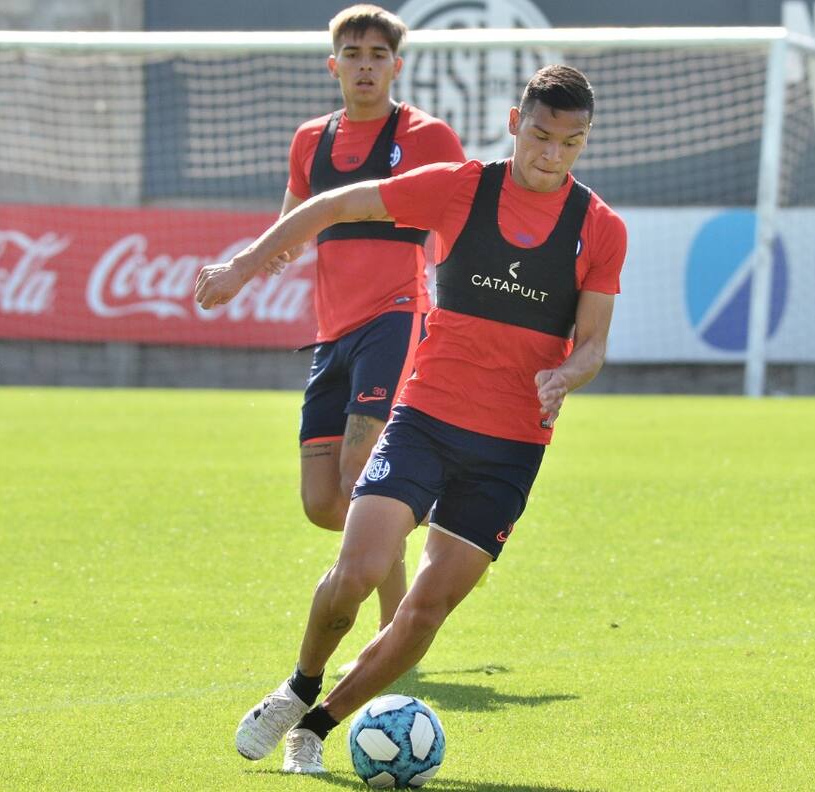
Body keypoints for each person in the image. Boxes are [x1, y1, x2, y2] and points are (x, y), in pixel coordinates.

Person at [197, 65, 626, 776]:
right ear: (516, 122)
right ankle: (299, 683)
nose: (552, 155)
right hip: (425, 418)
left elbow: (594, 345)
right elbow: (333, 204)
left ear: (586, 140)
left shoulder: (600, 228)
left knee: (424, 613)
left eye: (571, 143)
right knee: (359, 569)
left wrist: (567, 374)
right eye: (541, 136)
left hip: (511, 448)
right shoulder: (461, 187)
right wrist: (245, 264)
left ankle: (318, 725)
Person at [279, 4, 465, 639]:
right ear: (334, 66)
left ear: (397, 66)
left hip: (397, 315)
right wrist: (257, 262)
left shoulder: (427, 137)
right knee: (322, 503)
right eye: (353, 55)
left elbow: (460, 220)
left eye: (377, 56)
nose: (365, 67)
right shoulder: (311, 141)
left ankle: (394, 630)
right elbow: (293, 223)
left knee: (362, 477)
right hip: (333, 331)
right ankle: (416, 515)